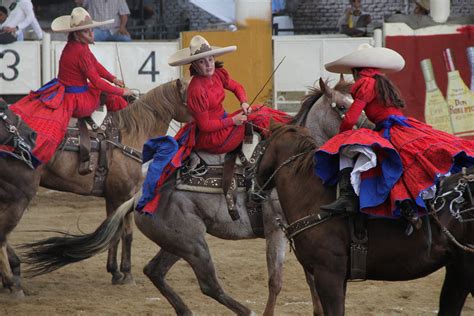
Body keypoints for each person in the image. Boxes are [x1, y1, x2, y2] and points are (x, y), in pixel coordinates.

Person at [314, 44, 474, 228]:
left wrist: (342, 135)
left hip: (389, 128)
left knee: (347, 149)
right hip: (402, 125)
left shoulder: (364, 83)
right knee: (403, 165)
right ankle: (408, 208)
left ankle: (348, 198)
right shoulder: (381, 81)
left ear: (356, 70)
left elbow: (352, 117)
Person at [136, 35, 291, 213]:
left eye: (210, 59)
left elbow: (237, 87)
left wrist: (244, 102)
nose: (209, 64)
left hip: (223, 122)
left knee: (258, 110)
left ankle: (286, 135)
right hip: (212, 136)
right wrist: (232, 120)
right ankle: (256, 176)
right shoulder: (196, 90)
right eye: (202, 62)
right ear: (194, 65)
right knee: (258, 119)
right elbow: (206, 126)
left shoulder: (218, 74)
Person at [4, 7, 133, 165]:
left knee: (107, 91)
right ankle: (125, 128)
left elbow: (96, 65)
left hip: (67, 91)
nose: (91, 34)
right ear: (78, 34)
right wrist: (122, 91)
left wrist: (113, 79)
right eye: (87, 32)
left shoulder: (76, 46)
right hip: (77, 100)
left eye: (90, 30)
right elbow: (97, 81)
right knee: (109, 94)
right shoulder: (81, 52)